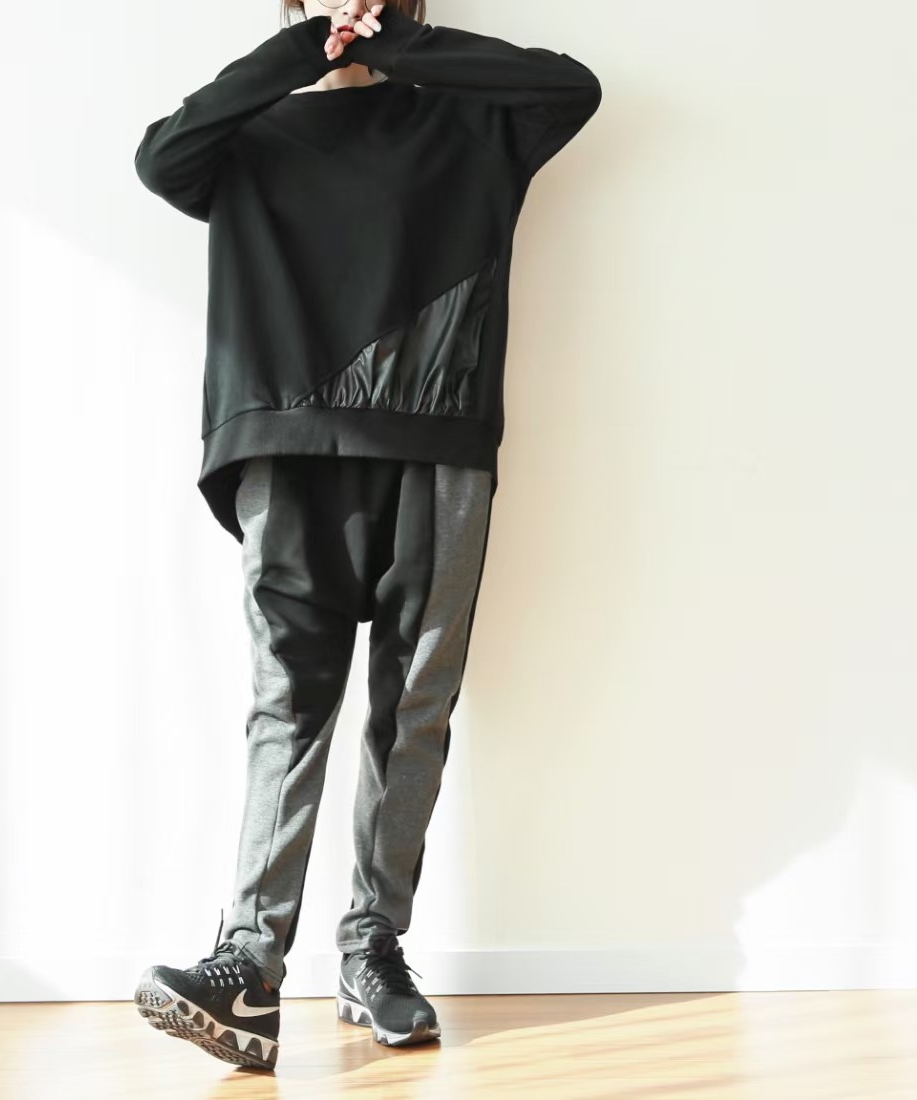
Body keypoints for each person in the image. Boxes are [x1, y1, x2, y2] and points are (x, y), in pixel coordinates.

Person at [132, 0, 601, 1071]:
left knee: (413, 703)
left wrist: (394, 46)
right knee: (288, 704)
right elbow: (162, 158)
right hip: (284, 441)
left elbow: (571, 87)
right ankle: (248, 966)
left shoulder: (474, 123)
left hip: (434, 439)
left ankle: (372, 947)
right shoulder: (246, 138)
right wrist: (306, 49)